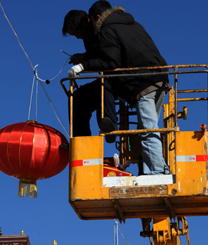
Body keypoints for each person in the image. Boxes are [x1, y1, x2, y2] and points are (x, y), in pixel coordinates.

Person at [68, 1, 169, 175]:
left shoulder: (107, 29)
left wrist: (83, 66)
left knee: (147, 130)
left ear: (96, 18)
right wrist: (86, 57)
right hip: (160, 78)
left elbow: (111, 62)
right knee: (148, 129)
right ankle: (153, 170)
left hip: (142, 82)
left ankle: (158, 172)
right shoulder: (132, 24)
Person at [62, 10, 118, 141]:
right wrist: (84, 57)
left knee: (102, 86)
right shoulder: (88, 38)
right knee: (77, 98)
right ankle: (81, 141)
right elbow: (97, 54)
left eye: (77, 33)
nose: (77, 37)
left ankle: (109, 127)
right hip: (106, 78)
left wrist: (83, 64)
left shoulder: (104, 31)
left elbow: (108, 57)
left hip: (120, 77)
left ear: (84, 23)